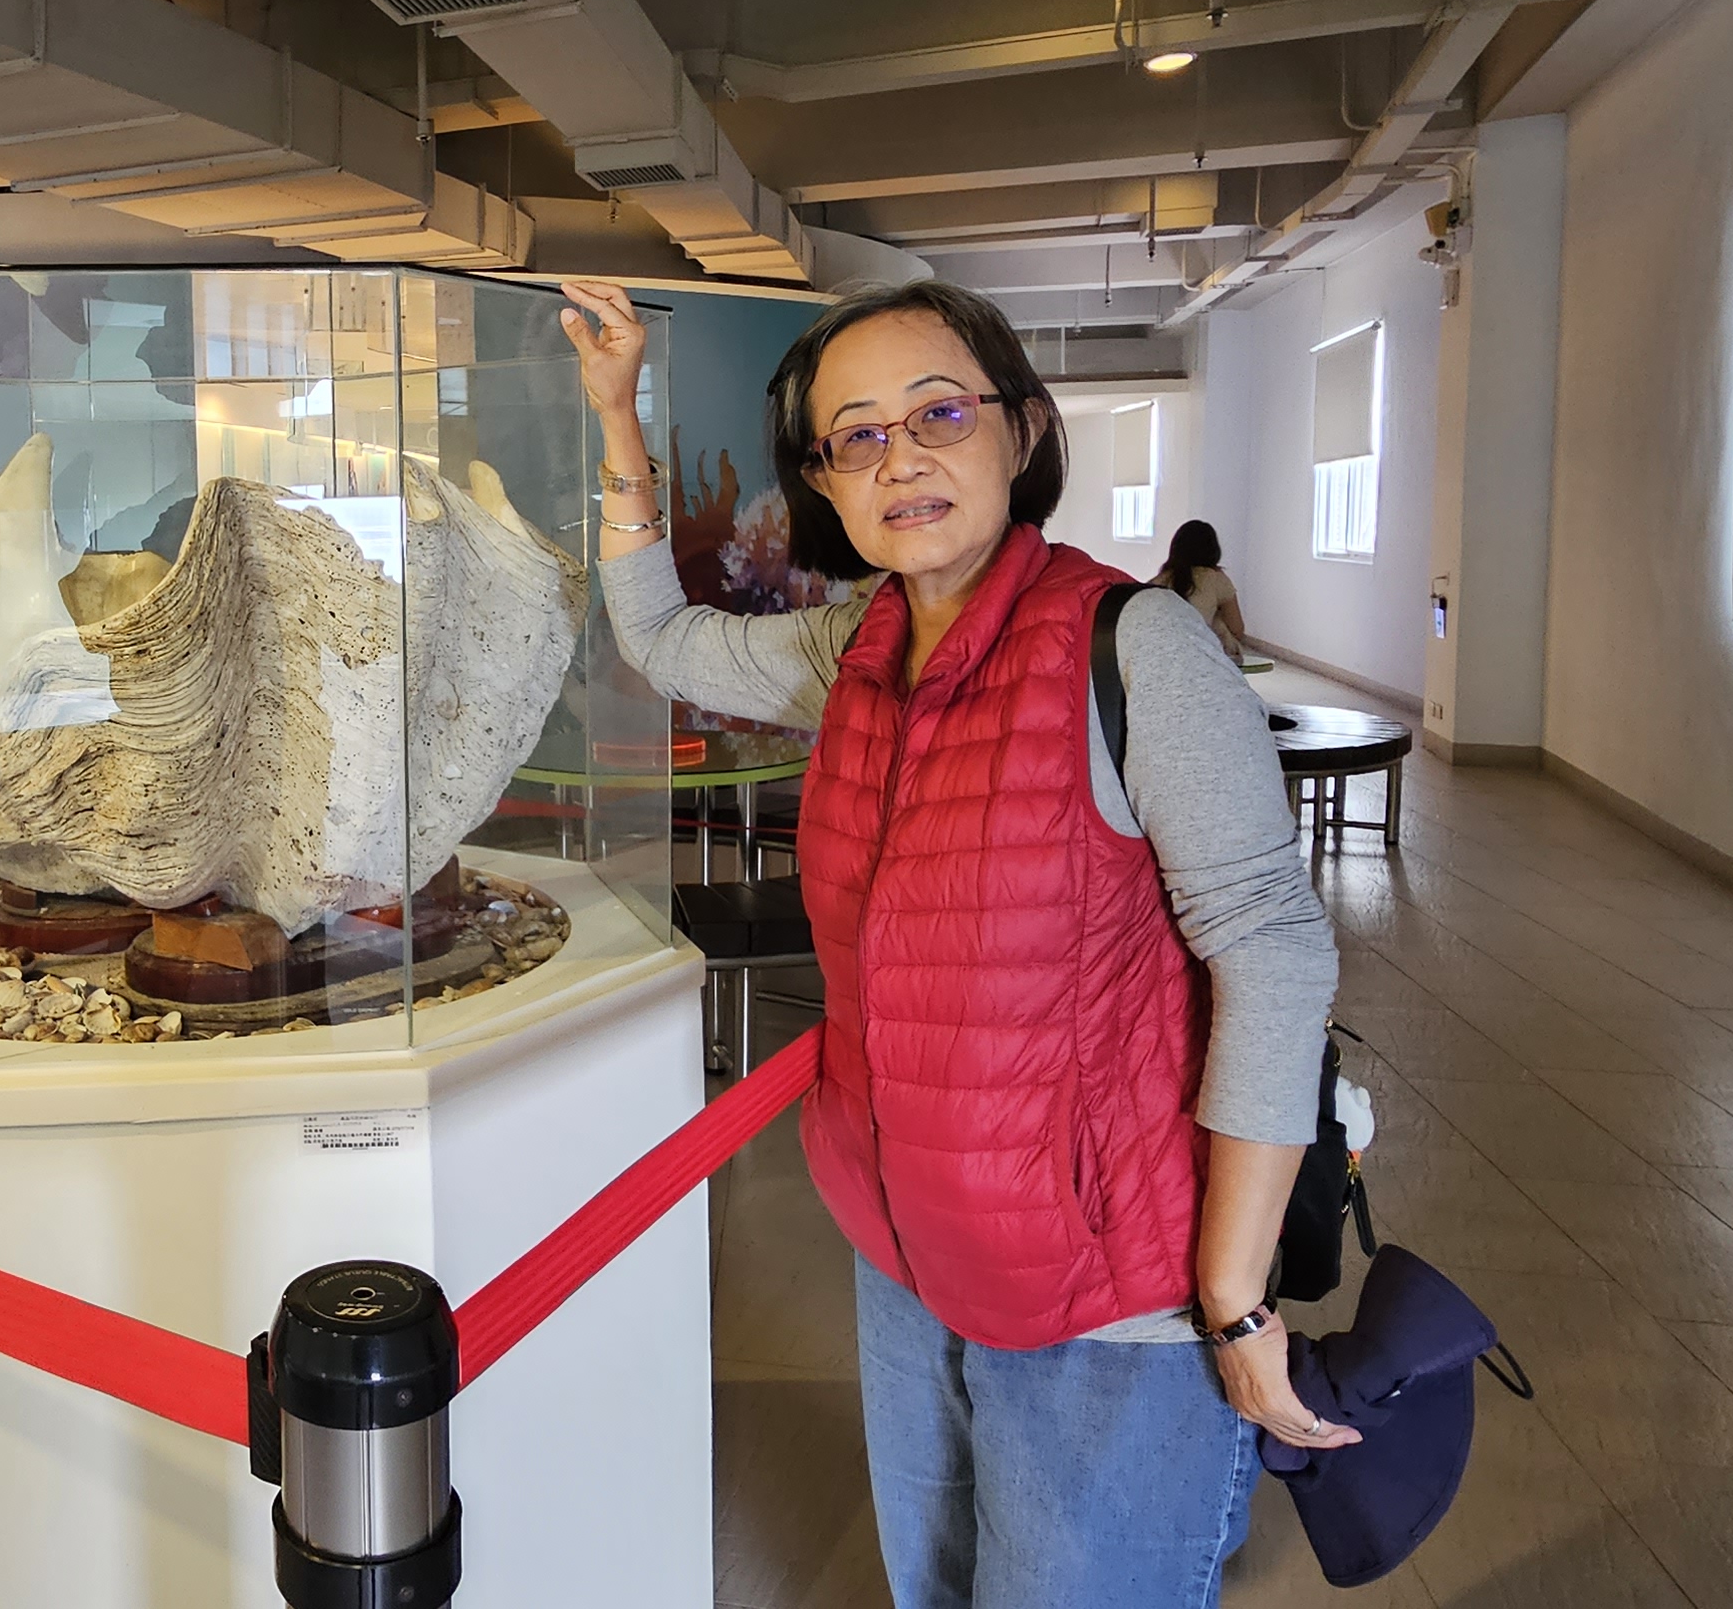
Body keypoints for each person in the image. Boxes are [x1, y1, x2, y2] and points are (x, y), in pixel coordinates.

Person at [560, 278, 1350, 1608]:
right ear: (824, 480)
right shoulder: (855, 645)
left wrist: (1233, 1291)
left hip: (1109, 1289)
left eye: (939, 413)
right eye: (855, 436)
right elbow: (661, 638)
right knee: (933, 1585)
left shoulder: (1132, 646)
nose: (900, 459)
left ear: (1023, 429)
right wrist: (615, 413)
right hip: (905, 1249)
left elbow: (1271, 951)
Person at [1154, 519, 1251, 661]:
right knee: (1218, 622)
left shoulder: (1158, 581)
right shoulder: (1216, 579)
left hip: (1160, 653)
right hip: (1201, 656)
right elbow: (1237, 630)